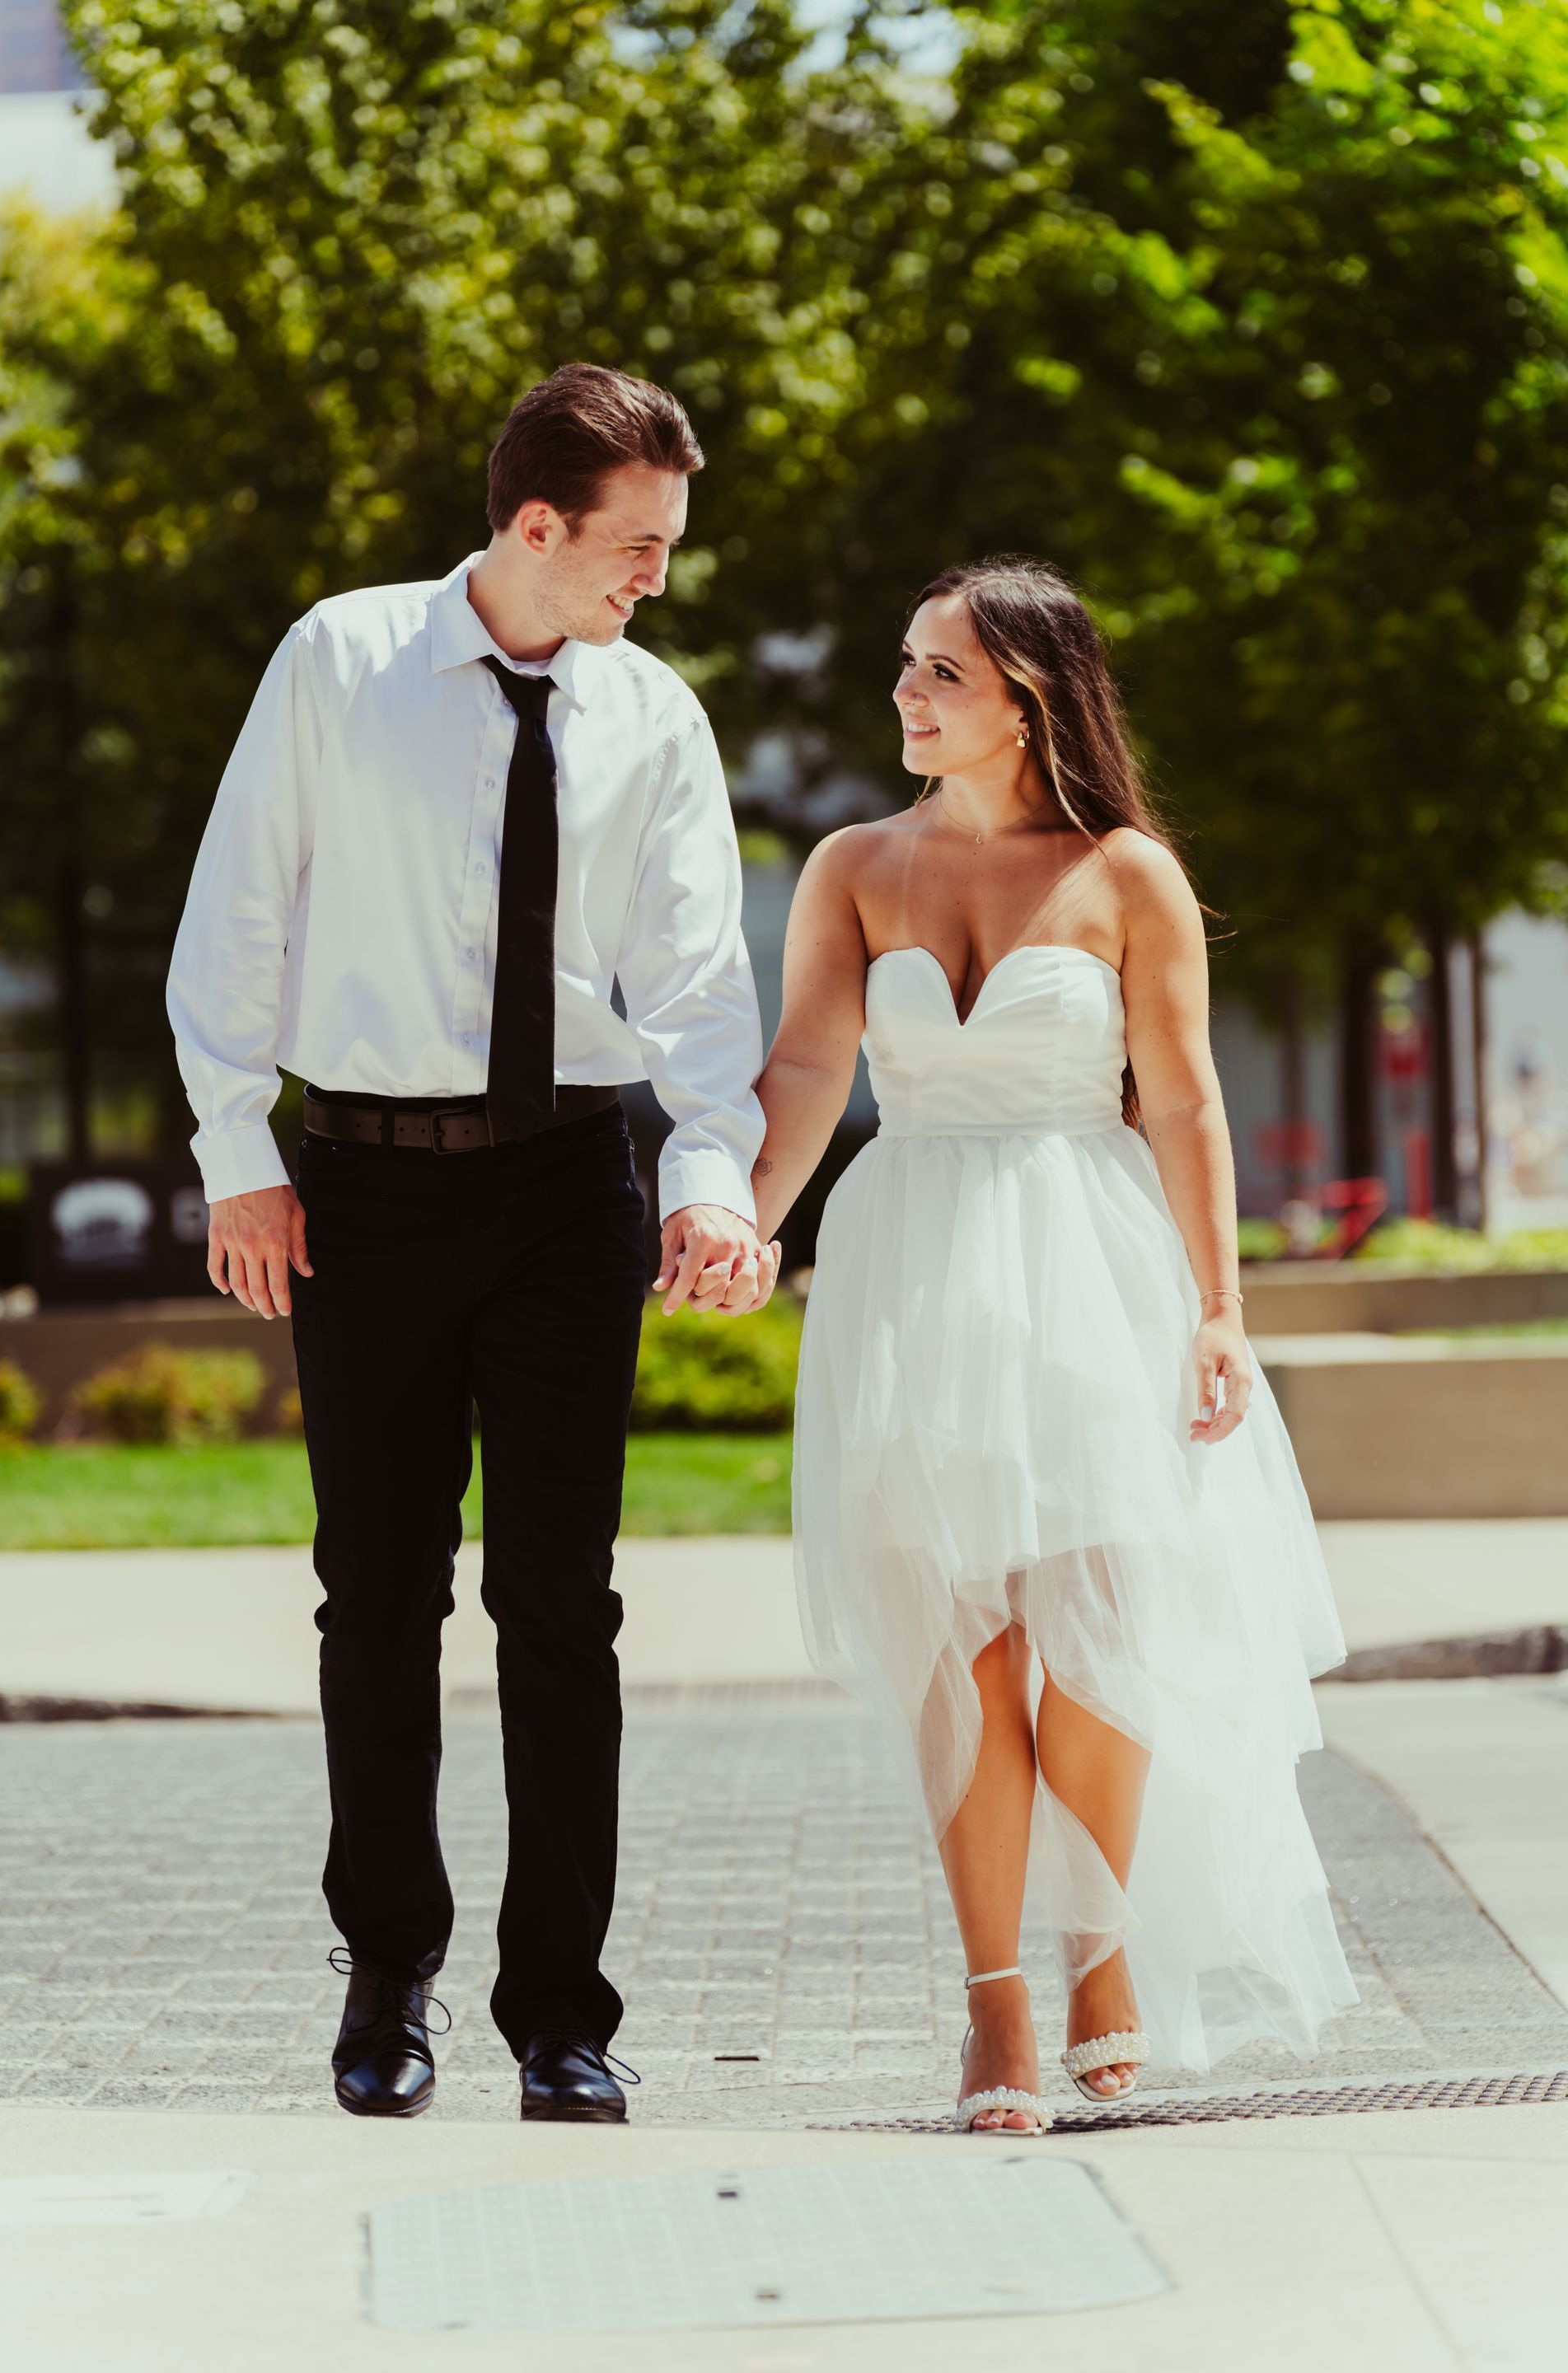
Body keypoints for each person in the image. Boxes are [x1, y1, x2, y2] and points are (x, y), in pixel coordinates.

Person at [166, 364, 773, 2124]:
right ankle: (387, 1980)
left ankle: (561, 2012)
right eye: (637, 545)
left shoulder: (653, 716)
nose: (656, 575)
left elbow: (697, 986)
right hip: (358, 1192)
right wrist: (237, 1160)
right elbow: (237, 922)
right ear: (534, 526)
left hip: (568, 1191)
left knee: (560, 1606)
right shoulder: (339, 665)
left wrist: (709, 1177)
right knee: (376, 1597)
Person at [751, 557, 1356, 2133]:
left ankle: (1101, 1953)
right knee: (962, 1645)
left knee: (1093, 1626)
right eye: (904, 665)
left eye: (938, 672)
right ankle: (994, 2009)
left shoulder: (1125, 875)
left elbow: (1188, 1102)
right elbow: (812, 1062)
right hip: (910, 1267)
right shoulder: (853, 867)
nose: (905, 692)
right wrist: (748, 1217)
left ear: (1028, 695)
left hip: (1090, 1268)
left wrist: (1221, 1306)